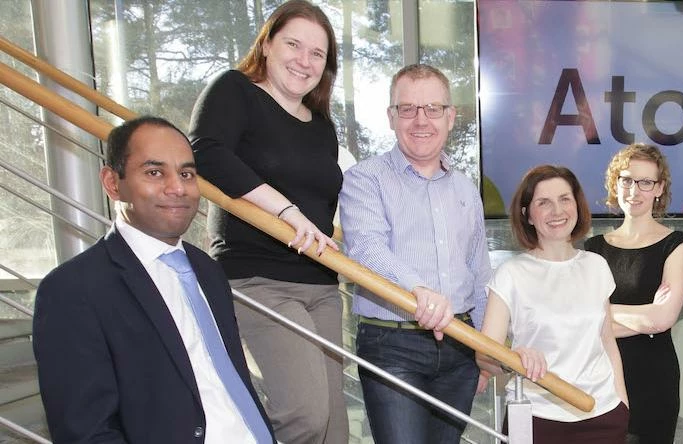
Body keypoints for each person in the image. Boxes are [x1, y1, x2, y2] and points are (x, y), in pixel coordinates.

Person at [33, 116, 274, 443]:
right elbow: (87, 433)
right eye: (154, 172)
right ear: (112, 183)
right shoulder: (72, 290)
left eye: (187, 174)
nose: (177, 187)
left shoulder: (208, 270)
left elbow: (227, 382)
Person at [188, 1, 346, 442]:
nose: (305, 60)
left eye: (318, 54)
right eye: (294, 44)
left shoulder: (321, 126)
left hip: (322, 287)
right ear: (267, 43)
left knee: (334, 428)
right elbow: (203, 151)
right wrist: (286, 211)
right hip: (259, 279)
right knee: (304, 416)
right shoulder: (235, 89)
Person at [338, 63, 492, 444]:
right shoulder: (365, 178)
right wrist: (418, 289)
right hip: (392, 345)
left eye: (433, 109)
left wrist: (486, 349)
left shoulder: (465, 189)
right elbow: (366, 249)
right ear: (391, 117)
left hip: (461, 347)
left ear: (451, 117)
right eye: (407, 109)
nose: (420, 120)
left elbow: (479, 271)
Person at [478, 165, 628, 443]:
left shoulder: (597, 266)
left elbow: (607, 340)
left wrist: (622, 403)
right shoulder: (511, 274)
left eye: (564, 199)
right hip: (536, 419)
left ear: (577, 206)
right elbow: (484, 355)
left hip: (602, 414)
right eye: (543, 203)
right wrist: (515, 359)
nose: (556, 211)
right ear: (528, 215)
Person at [584, 143, 683, 444]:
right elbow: (583, 324)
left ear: (659, 189)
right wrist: (644, 316)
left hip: (653, 382)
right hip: (599, 378)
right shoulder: (593, 250)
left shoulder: (676, 244)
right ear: (615, 184)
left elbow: (662, 319)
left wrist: (602, 312)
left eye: (646, 182)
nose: (635, 190)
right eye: (627, 180)